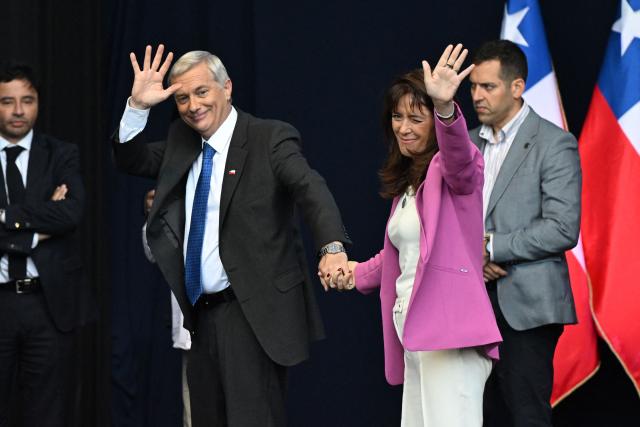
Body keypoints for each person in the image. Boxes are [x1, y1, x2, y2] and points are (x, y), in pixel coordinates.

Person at [112, 44, 351, 427]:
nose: (192, 105)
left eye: (201, 92)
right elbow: (129, 159)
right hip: (201, 316)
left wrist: (332, 247)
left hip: (252, 314)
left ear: (227, 88)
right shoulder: (182, 142)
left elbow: (311, 189)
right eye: (183, 98)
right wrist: (137, 107)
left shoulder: (268, 137)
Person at [341, 44, 502, 427]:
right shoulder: (408, 186)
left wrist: (446, 108)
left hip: (449, 333)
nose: (403, 127)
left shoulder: (456, 170)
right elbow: (402, 256)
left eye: (416, 117)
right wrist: (354, 273)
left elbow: (460, 157)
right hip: (413, 331)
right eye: (397, 117)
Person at [468, 40, 581, 426]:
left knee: (526, 415)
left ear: (517, 87)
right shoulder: (463, 143)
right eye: (473, 87)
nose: (477, 96)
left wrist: (493, 248)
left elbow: (563, 227)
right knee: (469, 413)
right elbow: (446, 219)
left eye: (488, 87)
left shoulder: (555, 143)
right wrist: (473, 256)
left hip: (527, 306)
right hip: (468, 297)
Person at [0, 60, 85, 427]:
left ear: (38, 103)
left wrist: (5, 218)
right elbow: (55, 218)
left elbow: (72, 213)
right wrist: (39, 224)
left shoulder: (61, 153)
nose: (19, 110)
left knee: (47, 414)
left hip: (48, 305)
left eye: (27, 100)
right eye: (7, 101)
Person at [142, 188, 192, 427]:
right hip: (195, 324)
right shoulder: (180, 192)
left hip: (238, 318)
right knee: (193, 413)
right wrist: (154, 215)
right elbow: (156, 253)